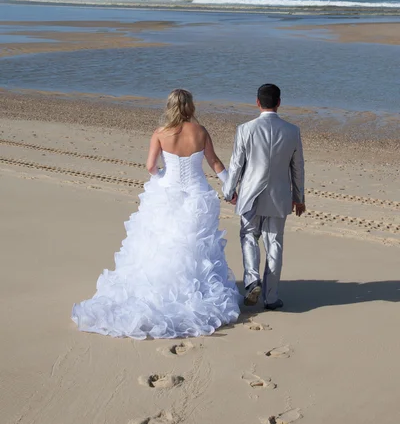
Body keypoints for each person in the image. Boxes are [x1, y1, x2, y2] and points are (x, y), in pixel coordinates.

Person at [72, 89, 240, 339]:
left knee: (162, 243)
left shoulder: (160, 134)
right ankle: (193, 292)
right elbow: (214, 162)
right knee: (193, 246)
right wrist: (229, 188)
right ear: (190, 107)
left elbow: (151, 166)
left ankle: (162, 290)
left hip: (167, 192)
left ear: (170, 106)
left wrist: (161, 176)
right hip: (196, 194)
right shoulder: (200, 131)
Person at [223, 84, 305, 310]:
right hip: (279, 195)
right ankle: (271, 297)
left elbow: (236, 163)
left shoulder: (245, 129)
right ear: (279, 102)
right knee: (274, 243)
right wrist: (299, 197)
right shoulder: (292, 130)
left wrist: (229, 190)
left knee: (249, 235)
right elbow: (297, 167)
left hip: (251, 193)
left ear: (257, 102)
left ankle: (252, 281)